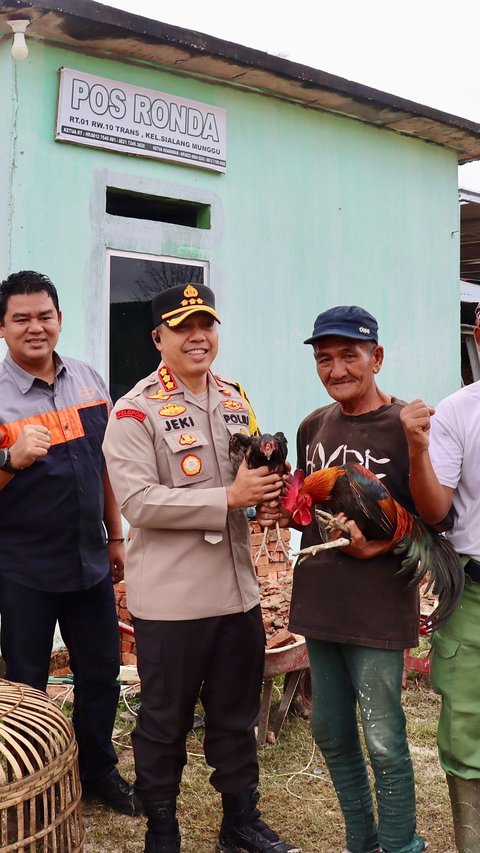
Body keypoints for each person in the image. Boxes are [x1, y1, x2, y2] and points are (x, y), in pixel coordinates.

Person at [102, 282, 299, 853]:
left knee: (236, 720)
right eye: (183, 326)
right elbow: (138, 503)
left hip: (238, 595)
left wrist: (264, 495)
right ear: (157, 336)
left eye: (206, 324)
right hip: (173, 601)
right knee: (164, 724)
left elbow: (251, 474)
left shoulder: (235, 397)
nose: (197, 336)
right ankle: (162, 829)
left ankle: (239, 823)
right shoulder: (135, 409)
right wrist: (229, 499)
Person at [259, 305, 426, 853]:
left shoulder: (404, 426)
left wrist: (383, 541)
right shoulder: (314, 425)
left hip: (378, 605)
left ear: (375, 357)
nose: (336, 370)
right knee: (331, 731)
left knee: (382, 737)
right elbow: (308, 507)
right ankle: (363, 841)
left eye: (349, 356)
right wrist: (288, 510)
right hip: (321, 600)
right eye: (324, 360)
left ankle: (401, 845)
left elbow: (433, 518)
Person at [0, 270, 142, 817]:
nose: (35, 327)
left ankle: (98, 770)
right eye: (22, 319)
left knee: (101, 672)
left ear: (58, 319)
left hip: (88, 560)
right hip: (23, 569)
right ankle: (33, 785)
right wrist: (11, 459)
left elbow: (105, 465)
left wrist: (115, 535)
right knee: (28, 687)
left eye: (45, 316)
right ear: (4, 327)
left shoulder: (87, 379)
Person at [400, 302, 480, 853]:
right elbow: (434, 512)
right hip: (473, 591)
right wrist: (418, 448)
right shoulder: (457, 412)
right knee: (466, 727)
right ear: (479, 333)